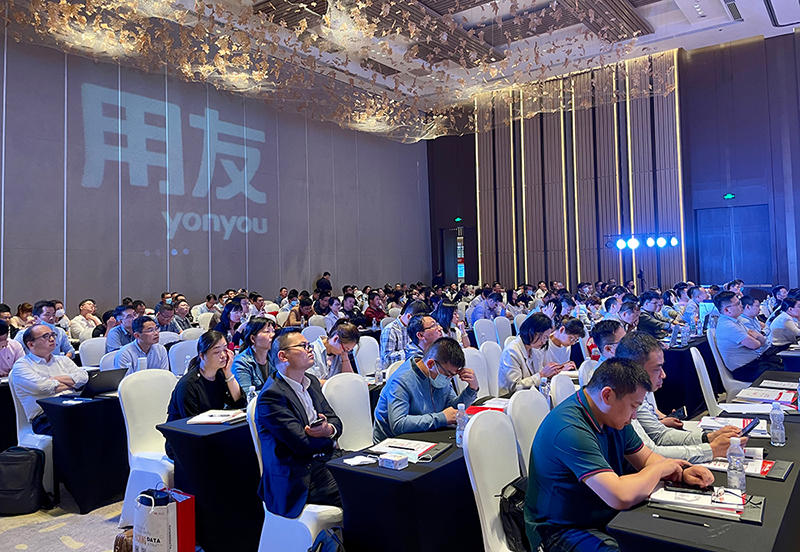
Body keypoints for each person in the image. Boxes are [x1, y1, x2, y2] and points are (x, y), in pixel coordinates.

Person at [524, 358, 715, 552]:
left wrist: (680, 472)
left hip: (600, 512)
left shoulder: (611, 415)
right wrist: (659, 470)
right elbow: (619, 496)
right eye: (633, 406)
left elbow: (647, 459)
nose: (634, 415)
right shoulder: (570, 429)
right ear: (607, 395)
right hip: (559, 530)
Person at [615, 332, 745, 463]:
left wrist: (708, 438)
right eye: (657, 369)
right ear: (636, 370)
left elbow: (660, 435)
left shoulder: (634, 395)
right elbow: (650, 454)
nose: (663, 375)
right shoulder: (621, 401)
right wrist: (712, 450)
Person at [256, 328, 343, 517]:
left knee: (376, 478)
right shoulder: (271, 396)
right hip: (299, 477)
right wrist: (331, 441)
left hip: (325, 461)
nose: (310, 349)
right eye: (303, 346)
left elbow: (336, 421)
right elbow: (302, 445)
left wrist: (329, 429)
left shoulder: (311, 382)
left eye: (309, 345)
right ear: (283, 356)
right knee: (361, 491)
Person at [373, 337, 478, 442]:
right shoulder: (402, 380)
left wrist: (472, 389)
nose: (448, 378)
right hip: (393, 442)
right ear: (431, 364)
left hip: (426, 435)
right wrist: (440, 418)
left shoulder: (438, 373)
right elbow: (398, 424)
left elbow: (451, 410)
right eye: (448, 374)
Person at [10, 324, 89, 435]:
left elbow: (84, 377)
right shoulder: (22, 365)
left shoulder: (63, 360)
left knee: (103, 417)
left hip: (73, 407)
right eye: (46, 336)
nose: (52, 339)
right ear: (31, 344)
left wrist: (54, 379)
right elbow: (41, 387)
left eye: (53, 335)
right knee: (79, 426)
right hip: (45, 417)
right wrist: (71, 383)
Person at [166, 331, 244, 426]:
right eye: (217, 352)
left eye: (225, 349)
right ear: (202, 356)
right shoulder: (188, 385)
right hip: (185, 431)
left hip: (212, 428)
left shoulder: (220, 374)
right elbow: (191, 422)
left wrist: (228, 374)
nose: (223, 355)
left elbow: (240, 403)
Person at [713, 291, 783, 382]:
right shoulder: (728, 325)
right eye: (738, 304)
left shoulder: (736, 321)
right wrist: (758, 337)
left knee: (788, 366)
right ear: (727, 310)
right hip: (746, 370)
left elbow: (760, 341)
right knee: (787, 372)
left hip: (755, 364)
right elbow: (756, 345)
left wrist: (758, 337)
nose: (741, 306)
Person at [498, 313, 559, 394]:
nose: (544, 342)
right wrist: (541, 375)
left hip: (530, 394)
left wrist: (549, 374)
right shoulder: (511, 351)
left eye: (546, 339)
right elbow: (515, 387)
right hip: (510, 397)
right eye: (544, 337)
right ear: (531, 331)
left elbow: (538, 375)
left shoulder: (534, 349)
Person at [380, 300, 429, 369]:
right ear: (409, 316)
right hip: (393, 370)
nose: (419, 324)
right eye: (417, 321)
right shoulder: (390, 329)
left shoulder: (415, 328)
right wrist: (410, 352)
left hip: (411, 366)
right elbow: (387, 358)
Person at [232, 316, 276, 392]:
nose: (272, 335)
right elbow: (247, 394)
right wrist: (275, 393)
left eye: (273, 331)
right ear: (252, 338)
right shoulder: (241, 362)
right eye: (267, 331)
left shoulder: (275, 357)